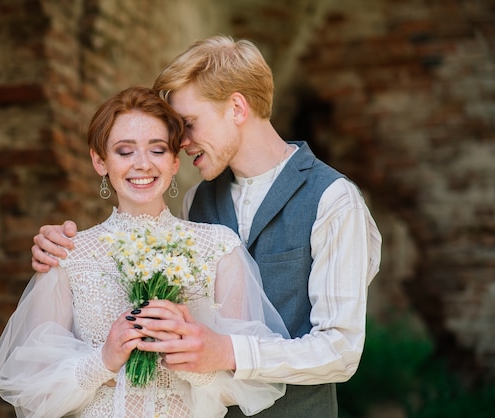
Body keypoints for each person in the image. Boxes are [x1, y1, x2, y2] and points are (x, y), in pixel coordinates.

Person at [31, 36, 382, 418]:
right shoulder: (195, 200)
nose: (180, 142)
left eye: (189, 124)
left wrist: (225, 351)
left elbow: (341, 350)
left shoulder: (333, 199)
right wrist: (64, 246)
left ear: (236, 107)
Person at [0, 86, 289, 418]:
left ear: (175, 162)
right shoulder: (67, 255)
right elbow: (35, 392)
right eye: (124, 151)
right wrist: (103, 360)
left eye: (158, 150)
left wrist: (186, 355)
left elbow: (248, 385)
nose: (143, 164)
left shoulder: (219, 249)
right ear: (99, 161)